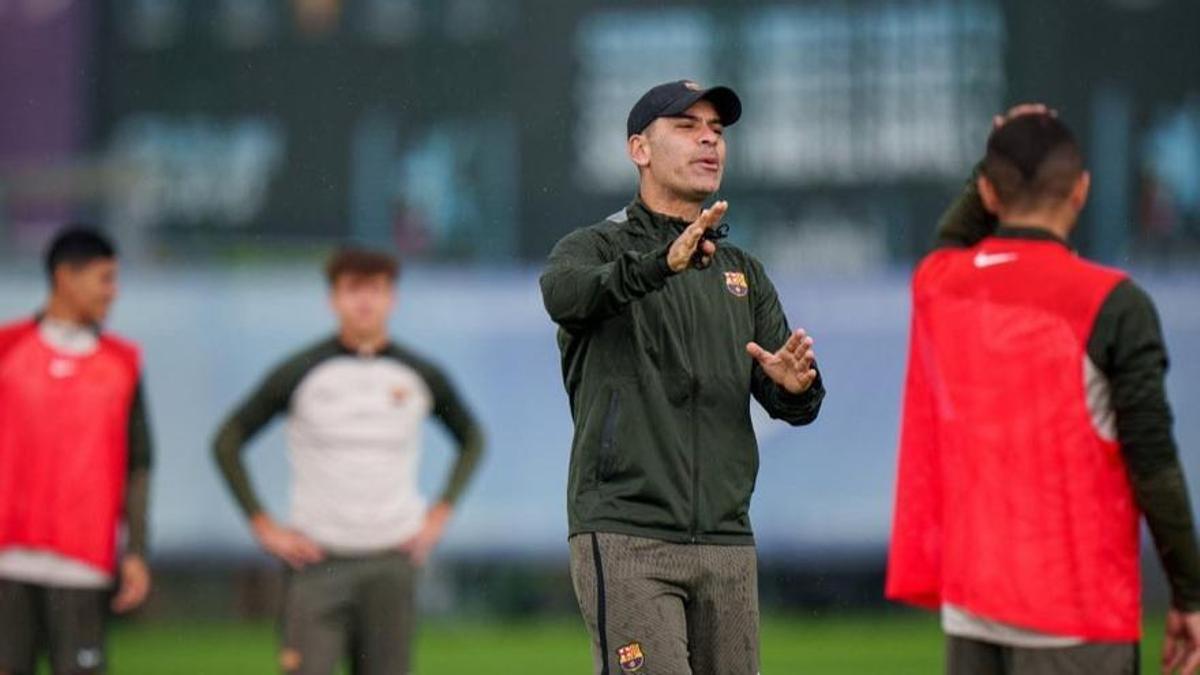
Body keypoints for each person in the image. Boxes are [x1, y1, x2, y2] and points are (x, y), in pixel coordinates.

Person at [887, 106, 1200, 674]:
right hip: (1075, 614)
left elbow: (950, 239)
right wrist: (1189, 594)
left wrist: (995, 156)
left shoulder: (940, 286)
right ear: (1081, 190)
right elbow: (1153, 462)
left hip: (971, 607)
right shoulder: (1114, 303)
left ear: (987, 189)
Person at [540, 80, 825, 675]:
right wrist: (660, 263)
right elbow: (564, 295)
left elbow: (790, 397)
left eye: (717, 131)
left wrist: (798, 387)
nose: (708, 140)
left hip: (726, 540)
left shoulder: (742, 271)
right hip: (627, 534)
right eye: (687, 126)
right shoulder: (593, 246)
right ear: (639, 149)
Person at [213, 247, 484, 675]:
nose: (364, 301)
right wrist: (264, 528)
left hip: (391, 561)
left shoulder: (418, 375)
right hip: (318, 562)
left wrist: (440, 512)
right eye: (352, 289)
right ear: (332, 299)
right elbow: (227, 441)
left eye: (375, 289)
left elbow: (472, 437)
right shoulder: (301, 371)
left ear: (392, 298)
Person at [0, 227, 154, 675]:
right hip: (7, 557)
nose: (113, 292)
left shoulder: (123, 363)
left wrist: (138, 549)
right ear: (66, 277)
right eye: (105, 279)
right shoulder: (8, 350)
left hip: (83, 562)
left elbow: (140, 463)